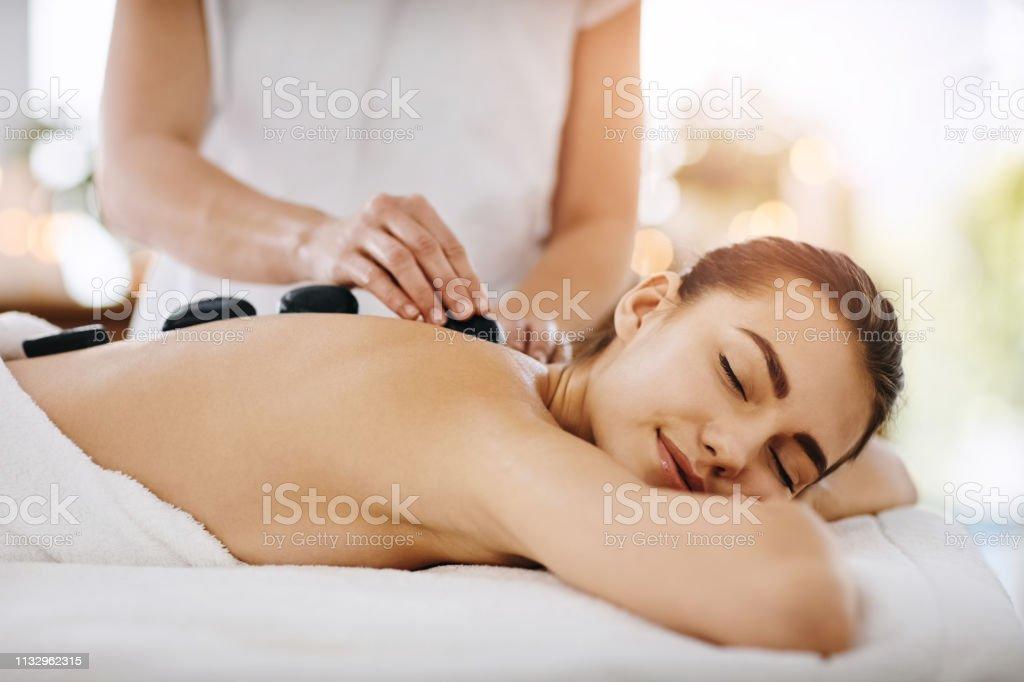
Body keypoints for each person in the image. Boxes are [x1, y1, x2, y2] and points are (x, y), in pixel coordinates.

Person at [8, 238, 916, 653]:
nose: (730, 452)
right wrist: (788, 494)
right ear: (643, 308)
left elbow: (891, 472)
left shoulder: (509, 377)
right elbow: (796, 594)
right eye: (735, 376)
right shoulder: (480, 422)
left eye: (786, 465)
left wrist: (778, 484)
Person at [97, 0, 642, 361]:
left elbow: (600, 216)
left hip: (468, 380)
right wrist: (312, 241)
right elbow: (134, 166)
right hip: (208, 348)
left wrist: (529, 318)